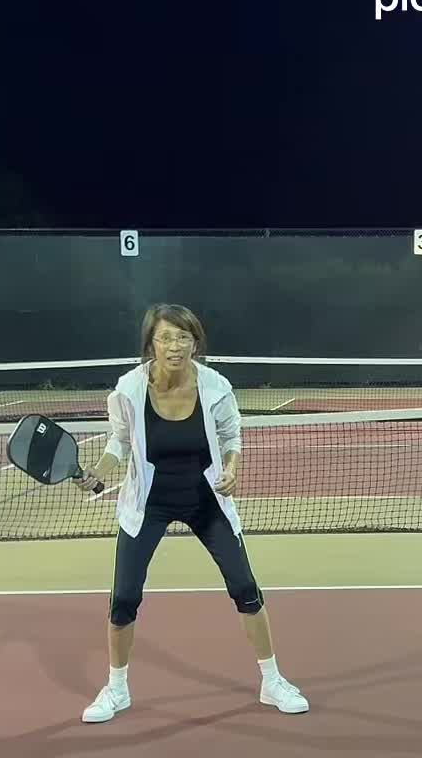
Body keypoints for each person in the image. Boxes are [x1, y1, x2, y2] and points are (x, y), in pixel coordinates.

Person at [76, 303, 308, 723]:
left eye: (183, 337)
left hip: (206, 499)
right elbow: (119, 441)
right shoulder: (128, 389)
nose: (175, 346)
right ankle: (117, 689)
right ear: (151, 344)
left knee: (246, 587)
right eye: (165, 337)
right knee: (124, 598)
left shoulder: (215, 386)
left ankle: (272, 682)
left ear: (195, 343)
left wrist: (233, 469)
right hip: (148, 502)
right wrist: (100, 471)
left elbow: (231, 435)